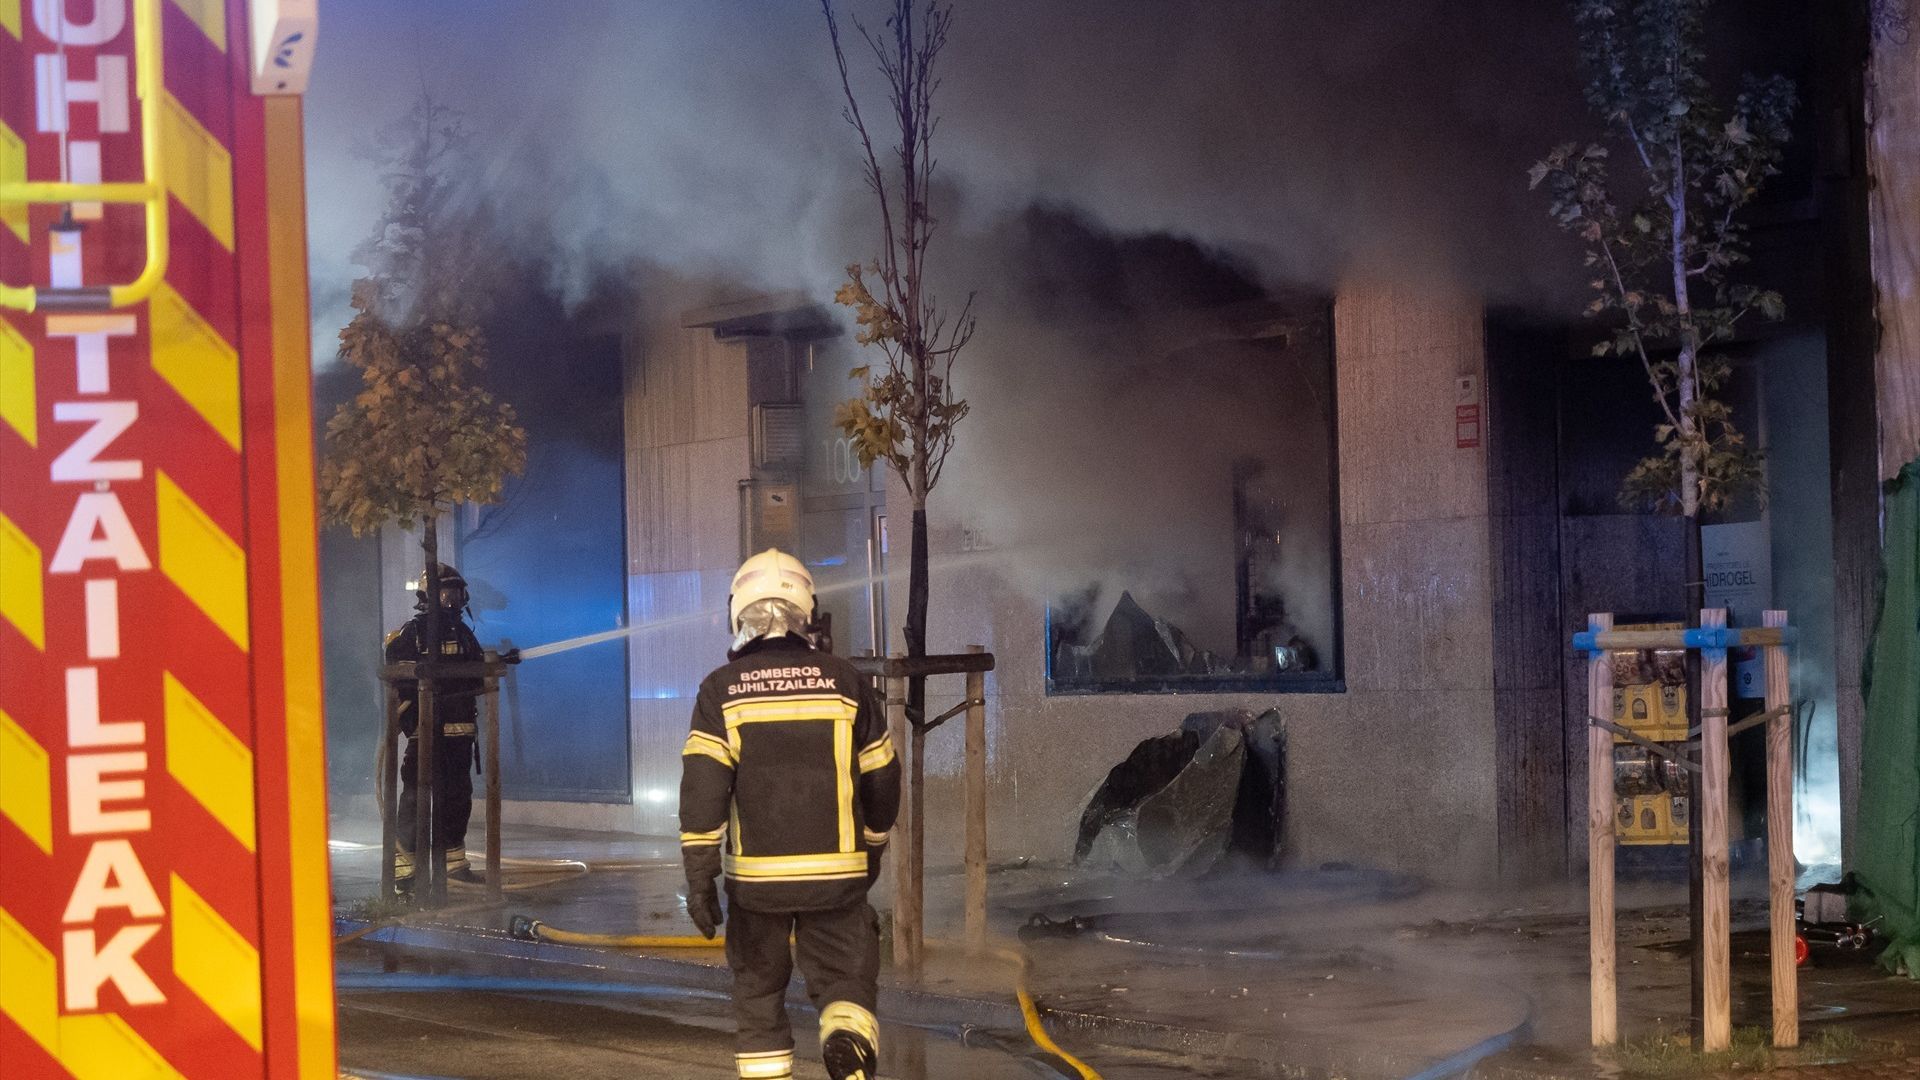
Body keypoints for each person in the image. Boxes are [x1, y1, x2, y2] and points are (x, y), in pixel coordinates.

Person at [680, 549, 901, 1080]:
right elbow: (883, 778)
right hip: (838, 879)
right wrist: (871, 847)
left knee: (757, 993)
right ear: (808, 613)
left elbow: (703, 791)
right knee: (847, 979)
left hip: (757, 886)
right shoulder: (848, 683)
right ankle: (846, 1035)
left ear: (738, 613)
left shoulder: (721, 690)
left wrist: (700, 879)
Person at [387, 563, 488, 894]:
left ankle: (454, 862)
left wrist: (497, 662)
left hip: (460, 733)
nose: (452, 600)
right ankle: (405, 867)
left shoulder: (464, 634)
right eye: (445, 592)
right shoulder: (413, 633)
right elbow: (394, 666)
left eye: (456, 593)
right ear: (427, 596)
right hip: (426, 730)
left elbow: (478, 674)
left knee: (458, 796)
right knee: (416, 796)